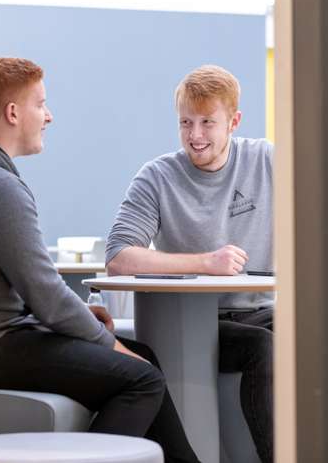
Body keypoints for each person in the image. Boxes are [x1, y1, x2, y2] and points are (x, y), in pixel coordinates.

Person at [0, 57, 200, 463]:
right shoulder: (0, 187)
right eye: (40, 104)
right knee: (142, 379)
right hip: (1, 345)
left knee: (146, 357)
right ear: (12, 113)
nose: (48, 116)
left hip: (8, 336)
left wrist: (94, 327)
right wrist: (108, 343)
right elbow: (47, 295)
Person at [106, 65, 274, 462]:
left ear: (234, 121)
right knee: (265, 348)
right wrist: (205, 262)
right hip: (200, 323)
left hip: (268, 310)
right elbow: (118, 256)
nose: (195, 136)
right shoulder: (157, 177)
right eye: (186, 123)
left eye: (207, 123)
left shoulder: (269, 160)